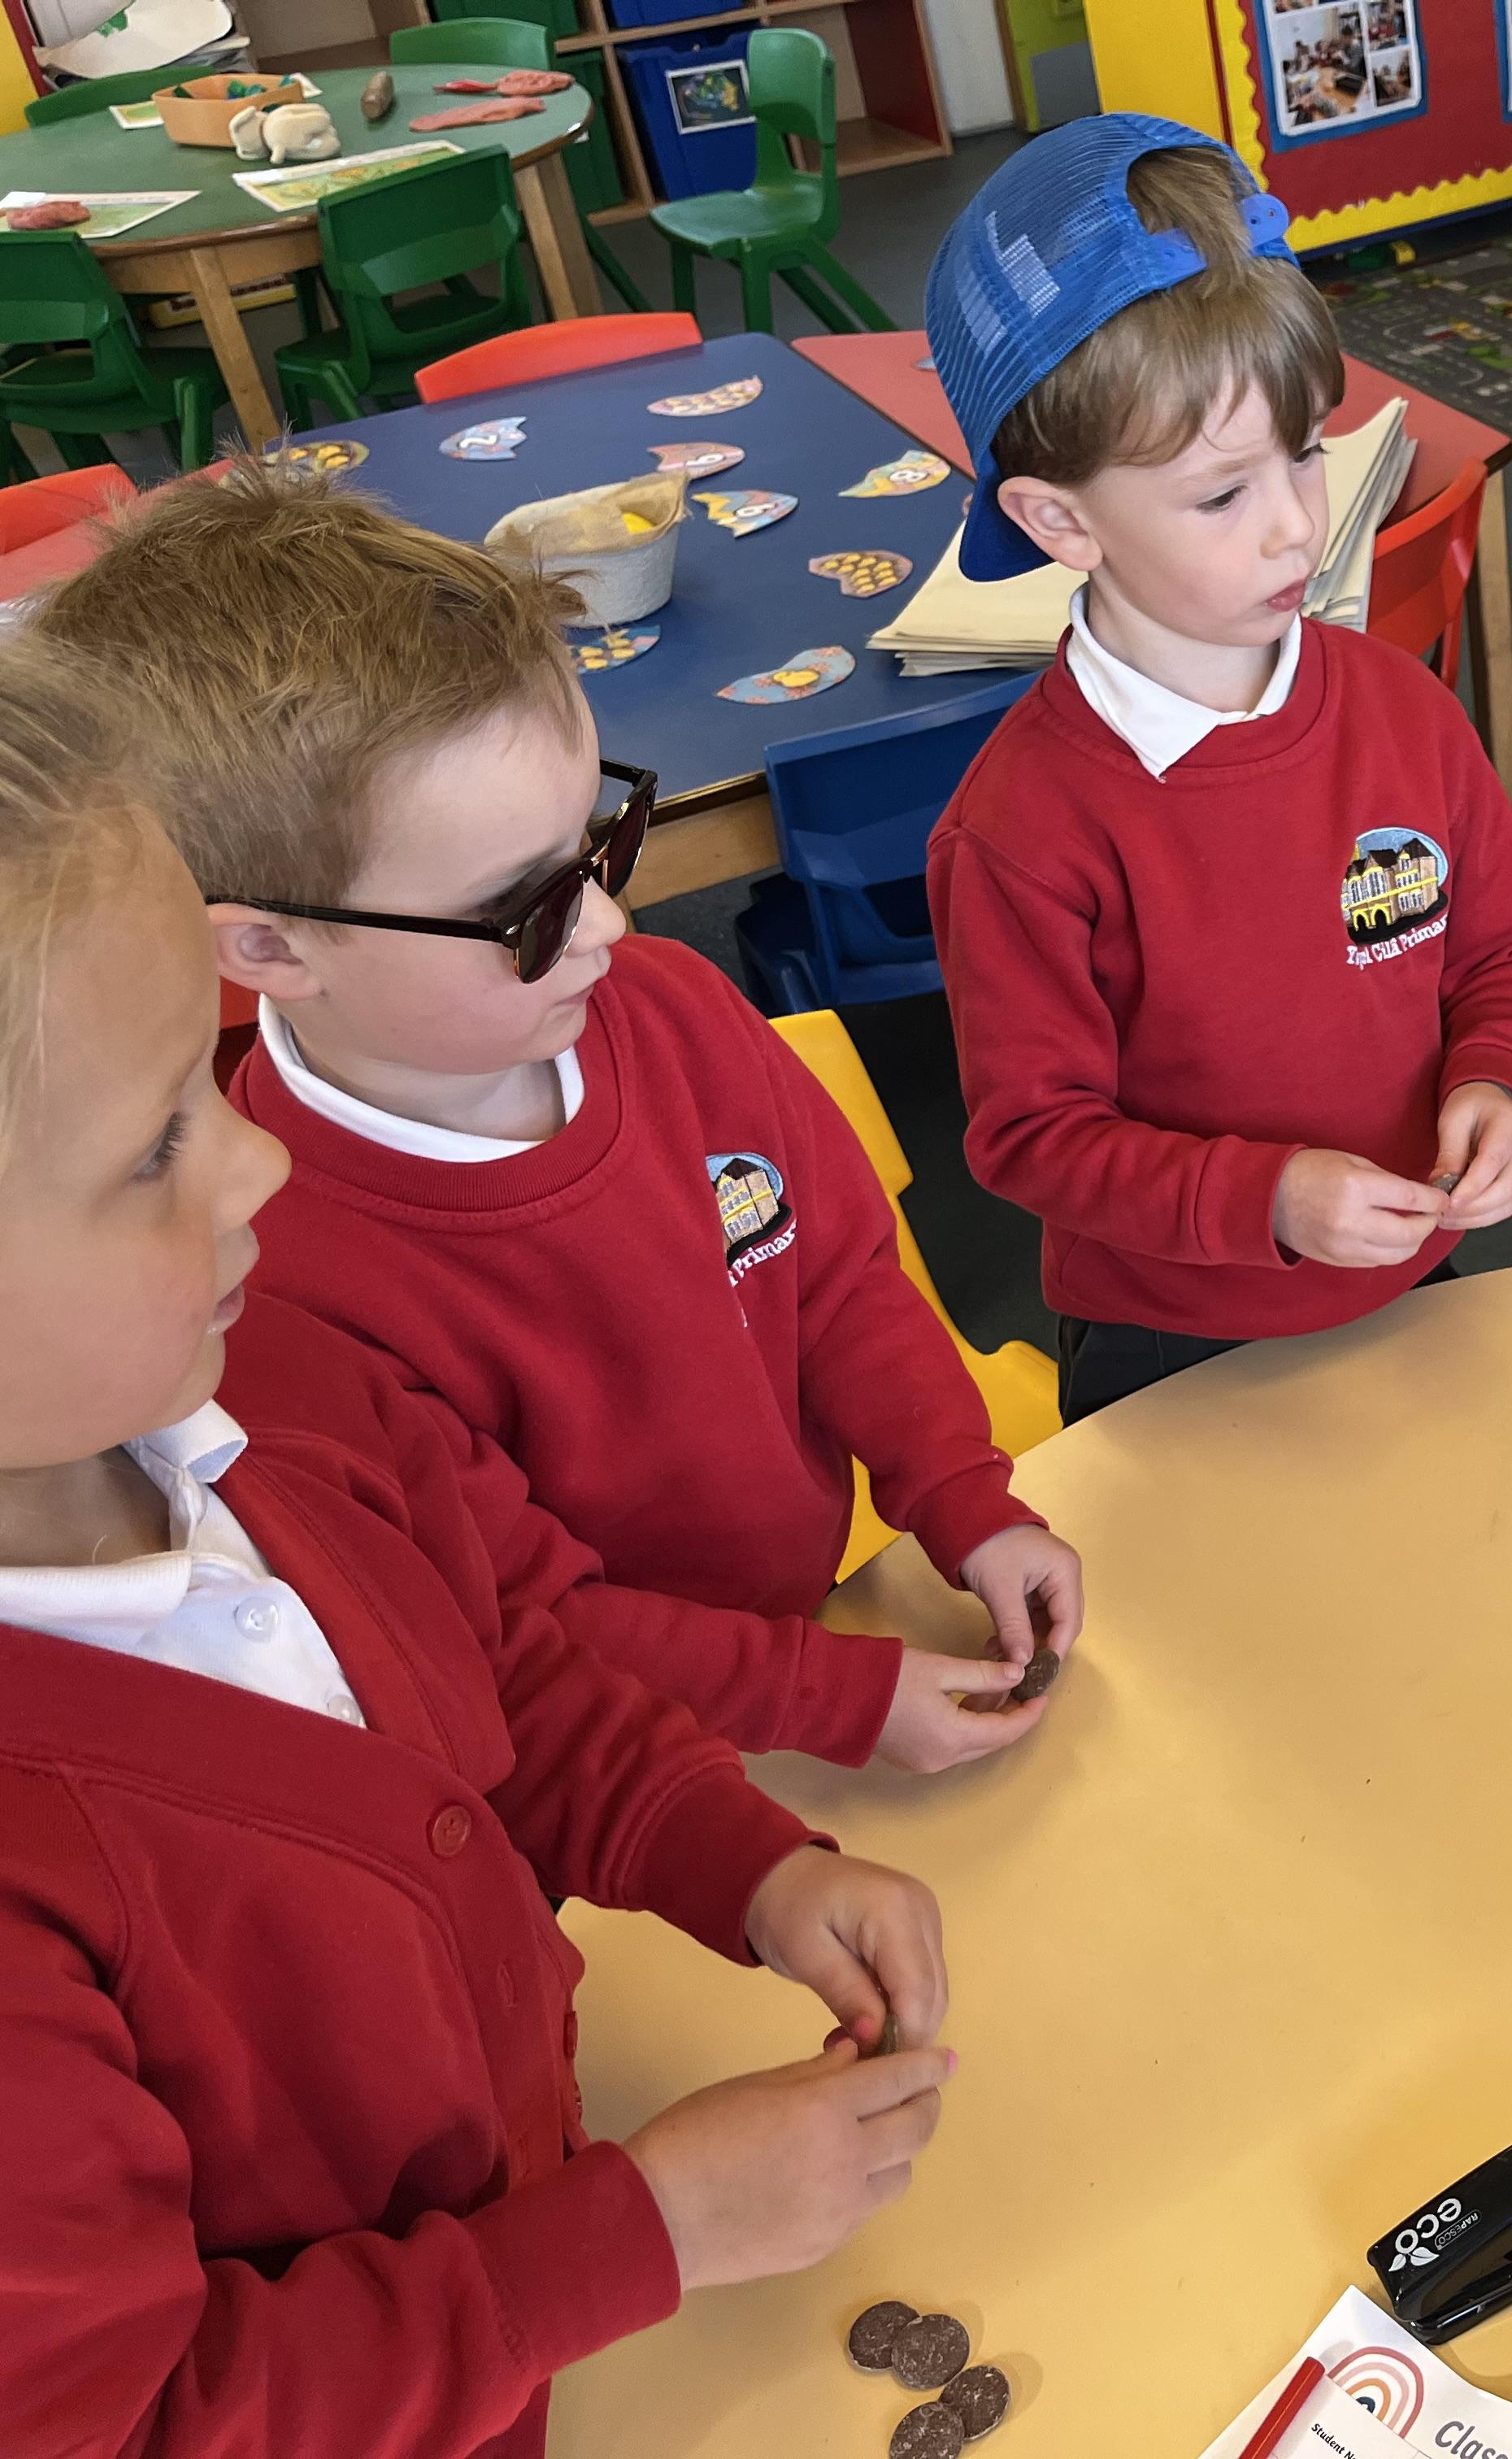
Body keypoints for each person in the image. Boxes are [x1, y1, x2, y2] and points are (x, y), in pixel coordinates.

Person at [0, 643, 957, 2456]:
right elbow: (131, 2422)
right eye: (154, 1147)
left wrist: (741, 1861)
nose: (258, 1167)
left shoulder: (263, 1379)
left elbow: (504, 1670)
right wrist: (642, 2237)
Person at [37, 468, 1081, 1774]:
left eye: (597, 841)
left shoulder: (672, 1005)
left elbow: (840, 1281)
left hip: (822, 1629)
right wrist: (825, 1697)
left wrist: (966, 1500)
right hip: (630, 1760)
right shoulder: (271, 1284)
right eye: (526, 907)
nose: (608, 924)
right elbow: (529, 1623)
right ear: (268, 948)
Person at [920, 115, 1512, 1419]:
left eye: (1305, 451)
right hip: (1170, 1339)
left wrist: (1496, 1078)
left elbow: (1502, 948)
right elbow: (1034, 1135)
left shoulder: (1404, 709)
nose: (1295, 529)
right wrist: (1265, 1199)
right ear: (1058, 520)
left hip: (1411, 1278)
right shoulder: (1023, 829)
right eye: (1222, 496)